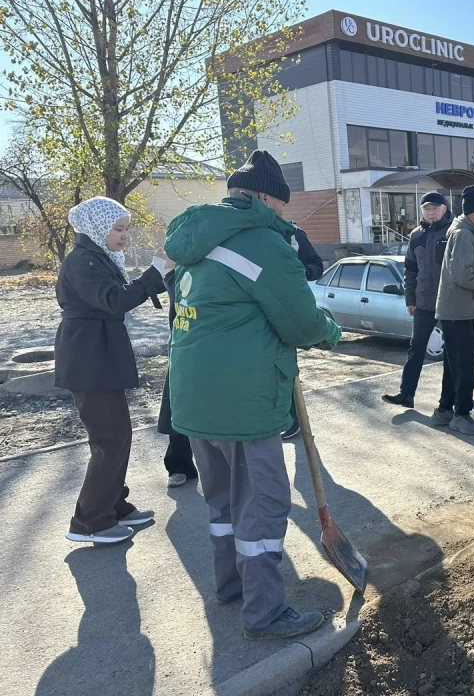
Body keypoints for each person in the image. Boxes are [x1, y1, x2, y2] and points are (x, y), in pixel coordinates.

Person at [165, 149, 342, 641]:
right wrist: (330, 332)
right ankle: (264, 612)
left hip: (195, 397)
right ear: (265, 197)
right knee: (262, 506)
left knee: (222, 503)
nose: (285, 214)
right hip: (243, 400)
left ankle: (230, 586)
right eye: (282, 204)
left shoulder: (193, 240)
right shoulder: (263, 243)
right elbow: (301, 322)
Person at [54, 197, 167, 543]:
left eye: (127, 228)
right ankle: (89, 521)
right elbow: (115, 300)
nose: (124, 236)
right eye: (118, 229)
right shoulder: (81, 261)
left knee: (118, 434)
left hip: (97, 358)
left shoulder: (96, 257)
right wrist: (156, 273)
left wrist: (152, 276)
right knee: (109, 438)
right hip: (89, 360)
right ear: (97, 228)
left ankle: (112, 504)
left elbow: (117, 296)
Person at [382, 192, 453, 409]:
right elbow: (410, 269)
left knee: (452, 352)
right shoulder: (416, 235)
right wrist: (409, 298)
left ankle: (450, 399)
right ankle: (406, 394)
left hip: (450, 303)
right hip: (423, 303)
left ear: (444, 208)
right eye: (426, 209)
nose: (430, 213)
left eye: (435, 208)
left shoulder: (454, 232)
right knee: (416, 348)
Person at [433, 186, 474, 435]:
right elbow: (462, 273)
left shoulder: (465, 231)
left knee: (453, 363)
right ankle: (462, 414)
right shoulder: (464, 234)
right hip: (456, 311)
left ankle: (445, 410)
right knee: (467, 365)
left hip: (460, 310)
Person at [280, 224, 326, 439]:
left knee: (285, 367)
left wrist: (302, 272)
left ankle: (293, 420)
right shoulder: (243, 229)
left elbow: (316, 265)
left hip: (286, 308)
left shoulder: (294, 233)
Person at [158, 268, 199, 488]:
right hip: (184, 344)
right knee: (179, 405)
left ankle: (229, 467)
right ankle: (179, 464)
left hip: (216, 342)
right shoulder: (179, 265)